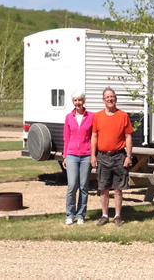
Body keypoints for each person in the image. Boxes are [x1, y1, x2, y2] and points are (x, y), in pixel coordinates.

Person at [91, 86, 133, 227]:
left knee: (118, 188)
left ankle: (117, 216)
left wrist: (129, 156)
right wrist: (93, 156)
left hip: (119, 156)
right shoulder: (97, 116)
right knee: (103, 188)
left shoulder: (123, 116)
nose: (110, 99)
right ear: (103, 100)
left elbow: (128, 137)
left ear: (115, 98)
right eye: (107, 97)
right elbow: (94, 137)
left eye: (112, 96)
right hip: (102, 156)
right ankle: (104, 215)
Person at [62, 90, 94, 225]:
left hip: (86, 155)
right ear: (73, 102)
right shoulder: (69, 117)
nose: (77, 103)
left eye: (80, 100)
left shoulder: (91, 116)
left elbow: (94, 137)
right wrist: (65, 156)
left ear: (84, 101)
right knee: (72, 186)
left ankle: (81, 214)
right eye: (75, 100)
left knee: (83, 187)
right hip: (72, 155)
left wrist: (93, 155)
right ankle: (70, 214)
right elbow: (66, 137)